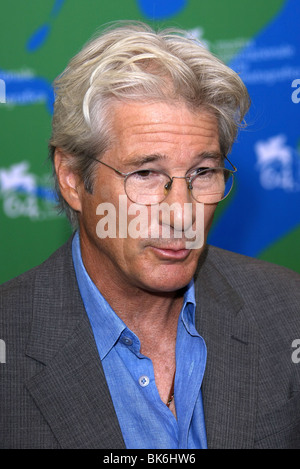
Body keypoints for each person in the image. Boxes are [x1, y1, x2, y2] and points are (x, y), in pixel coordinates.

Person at [1, 21, 300, 450]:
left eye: (203, 172)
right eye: (144, 173)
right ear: (71, 178)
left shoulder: (288, 311)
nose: (181, 212)